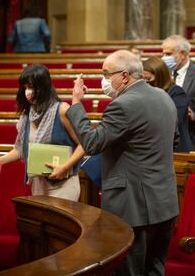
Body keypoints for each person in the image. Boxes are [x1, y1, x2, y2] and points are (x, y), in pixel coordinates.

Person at [67, 50, 179, 276]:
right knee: (155, 268)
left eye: (107, 74)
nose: (104, 81)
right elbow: (173, 139)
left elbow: (91, 143)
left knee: (129, 271)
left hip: (134, 206)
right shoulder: (163, 96)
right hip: (164, 202)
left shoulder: (124, 105)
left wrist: (76, 104)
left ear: (125, 76)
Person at [0, 64, 85, 201]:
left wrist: (64, 167)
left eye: (31, 87)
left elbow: (84, 144)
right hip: (39, 183)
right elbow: (20, 150)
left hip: (64, 183)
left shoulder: (61, 110)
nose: (28, 92)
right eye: (25, 87)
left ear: (43, 87)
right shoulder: (26, 116)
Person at [143, 56, 194, 152]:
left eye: (148, 79)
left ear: (160, 77)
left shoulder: (176, 93)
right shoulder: (144, 93)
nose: (146, 83)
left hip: (175, 149)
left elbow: (174, 122)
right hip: (154, 147)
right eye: (143, 80)